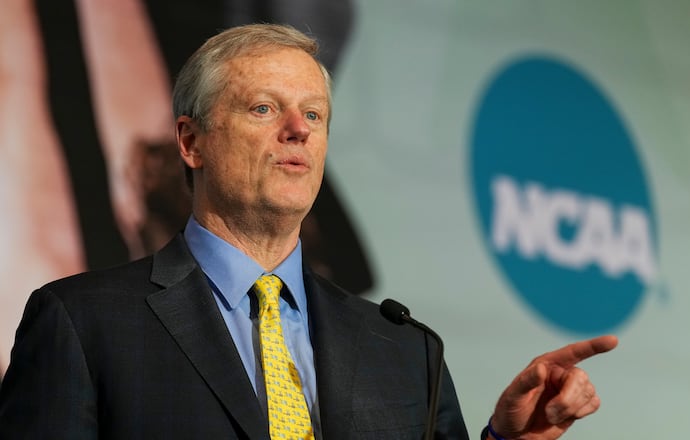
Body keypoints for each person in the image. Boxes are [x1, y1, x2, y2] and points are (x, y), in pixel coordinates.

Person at [0, 23, 617, 439]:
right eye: (264, 108)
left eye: (314, 114)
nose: (297, 129)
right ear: (191, 142)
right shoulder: (82, 324)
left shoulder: (405, 350)